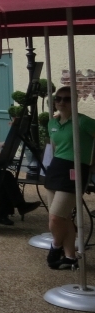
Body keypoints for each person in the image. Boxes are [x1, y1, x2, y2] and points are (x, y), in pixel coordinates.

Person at [44, 86, 95, 270]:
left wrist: (92, 164)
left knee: (56, 218)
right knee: (63, 217)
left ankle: (55, 246)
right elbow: (56, 147)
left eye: (67, 99)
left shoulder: (84, 122)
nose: (62, 102)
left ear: (75, 100)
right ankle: (70, 257)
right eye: (58, 99)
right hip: (56, 168)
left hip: (75, 169)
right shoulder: (52, 123)